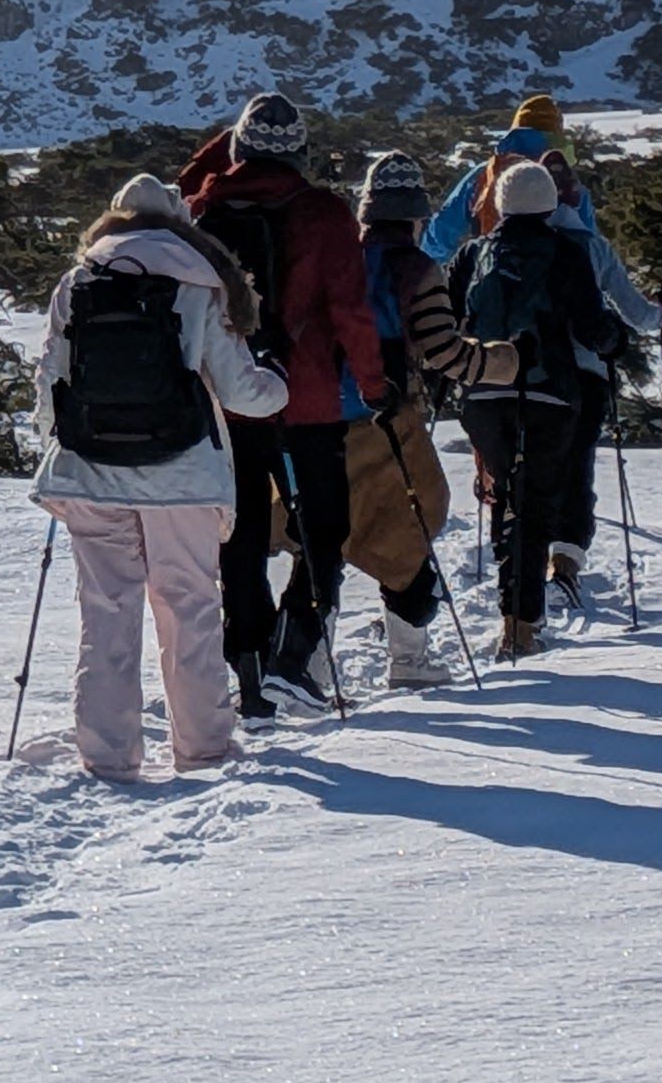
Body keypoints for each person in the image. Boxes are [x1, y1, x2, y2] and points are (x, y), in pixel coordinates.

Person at [26, 176, 287, 776]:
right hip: (183, 476)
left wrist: (58, 447)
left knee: (106, 610)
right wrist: (278, 380)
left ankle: (107, 754)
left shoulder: (78, 282)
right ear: (177, 221)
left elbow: (50, 379)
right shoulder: (200, 280)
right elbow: (245, 393)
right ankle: (202, 750)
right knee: (189, 608)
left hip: (90, 472)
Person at [179, 92, 390, 717]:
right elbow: (352, 310)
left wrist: (232, 143)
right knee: (324, 530)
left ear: (238, 147)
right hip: (306, 401)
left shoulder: (205, 207)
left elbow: (190, 178)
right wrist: (375, 385)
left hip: (229, 399)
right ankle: (295, 654)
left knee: (239, 535)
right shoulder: (324, 212)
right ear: (301, 151)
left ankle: (248, 669)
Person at [424, 96, 662, 591]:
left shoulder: (484, 177)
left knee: (503, 471)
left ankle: (509, 564)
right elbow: (591, 287)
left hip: (487, 359)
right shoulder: (571, 200)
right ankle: (555, 569)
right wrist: (616, 336)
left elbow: (438, 242)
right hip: (564, 366)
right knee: (567, 467)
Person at [348, 151, 513, 688]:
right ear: (416, 215)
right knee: (411, 529)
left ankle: (306, 663)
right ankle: (409, 659)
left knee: (324, 537)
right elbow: (444, 351)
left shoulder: (341, 261)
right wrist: (499, 362)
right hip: (395, 420)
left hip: (328, 416)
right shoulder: (419, 269)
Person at [451, 157, 624, 658]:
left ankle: (513, 613)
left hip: (483, 392)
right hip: (549, 393)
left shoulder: (473, 254)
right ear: (550, 202)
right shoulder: (566, 252)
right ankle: (522, 625)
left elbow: (447, 316)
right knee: (536, 506)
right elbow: (593, 327)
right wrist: (616, 344)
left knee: (508, 497)